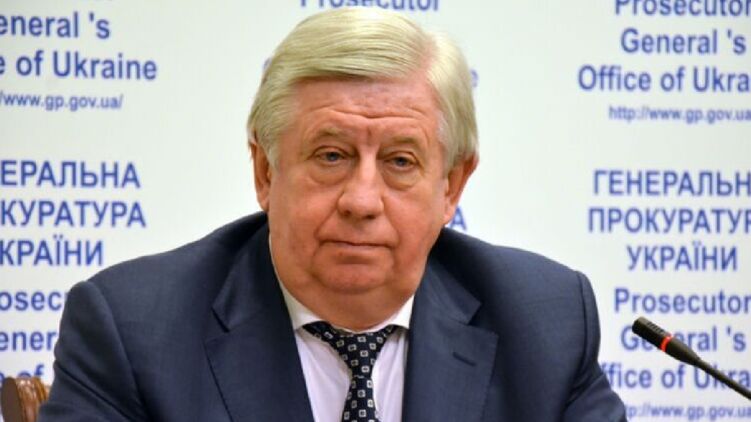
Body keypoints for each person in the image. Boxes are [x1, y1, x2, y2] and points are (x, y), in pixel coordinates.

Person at [40, 7, 626, 422]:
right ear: (266, 172)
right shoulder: (134, 331)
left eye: (400, 161)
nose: (361, 201)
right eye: (331, 156)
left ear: (451, 186)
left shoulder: (545, 325)